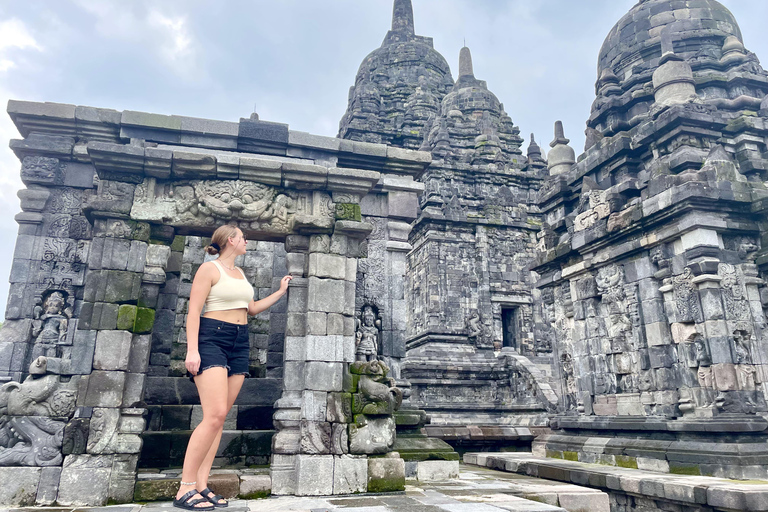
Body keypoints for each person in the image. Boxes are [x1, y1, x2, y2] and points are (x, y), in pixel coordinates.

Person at [173, 225, 292, 510]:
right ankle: (184, 488)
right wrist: (192, 350)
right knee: (213, 415)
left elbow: (250, 309)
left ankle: (201, 484)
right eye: (243, 237)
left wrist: (280, 292)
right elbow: (193, 311)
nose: (246, 241)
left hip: (240, 340)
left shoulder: (240, 273)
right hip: (212, 337)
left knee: (220, 417)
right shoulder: (209, 270)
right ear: (230, 240)